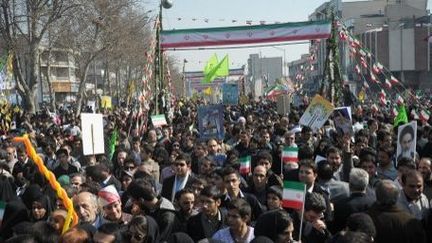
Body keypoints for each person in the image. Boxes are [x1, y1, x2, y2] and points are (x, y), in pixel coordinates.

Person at [332, 168, 374, 233]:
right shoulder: (374, 202)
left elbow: (336, 229)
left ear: (350, 185)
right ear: (366, 184)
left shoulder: (340, 204)